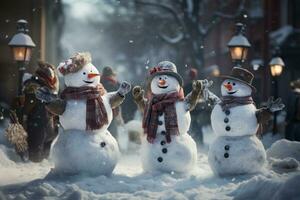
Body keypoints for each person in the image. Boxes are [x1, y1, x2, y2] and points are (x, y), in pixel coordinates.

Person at [100, 66, 124, 138]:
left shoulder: (98, 83)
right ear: (111, 75)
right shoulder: (114, 84)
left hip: (100, 113)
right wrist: (119, 116)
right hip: (112, 113)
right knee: (113, 136)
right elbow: (117, 101)